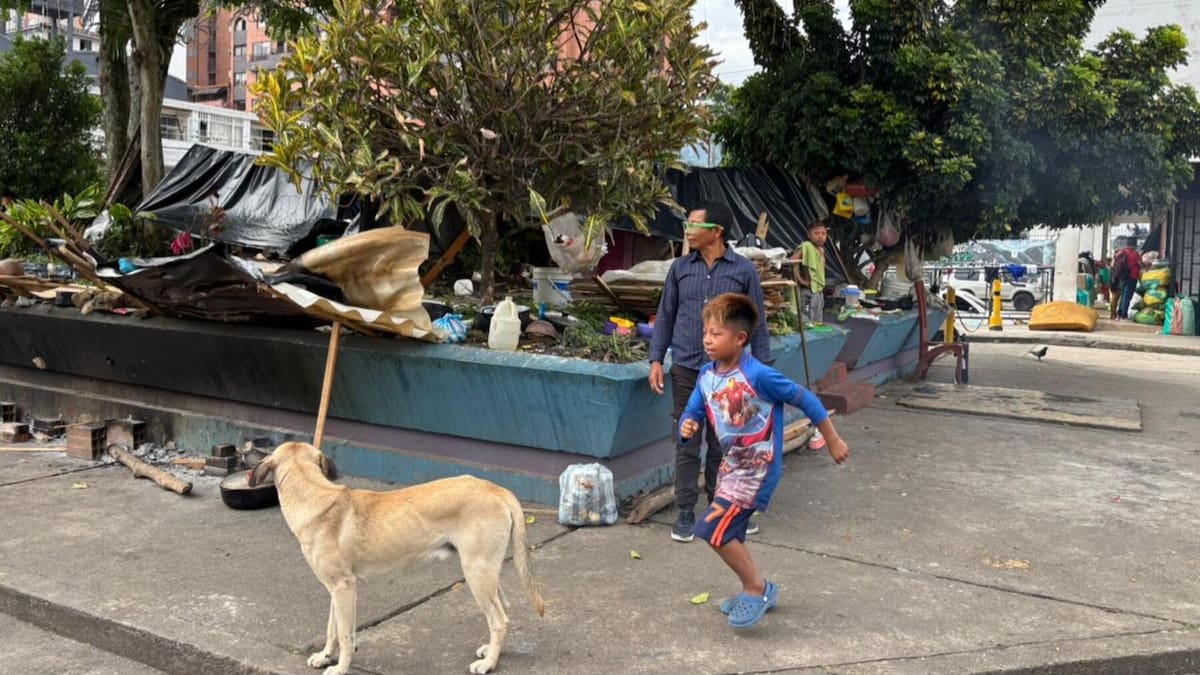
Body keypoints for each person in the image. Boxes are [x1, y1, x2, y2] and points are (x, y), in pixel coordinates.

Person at [679, 293, 849, 629]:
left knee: (713, 529)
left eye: (716, 334)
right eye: (705, 333)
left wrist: (832, 439)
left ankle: (755, 588)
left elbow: (806, 399)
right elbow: (694, 409)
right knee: (727, 531)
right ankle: (759, 588)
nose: (708, 340)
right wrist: (688, 425)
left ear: (740, 338)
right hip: (731, 468)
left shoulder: (759, 375)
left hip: (758, 469)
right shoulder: (706, 375)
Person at [649, 200, 771, 543]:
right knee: (686, 442)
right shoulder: (679, 269)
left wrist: (763, 374)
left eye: (694, 225)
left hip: (729, 375)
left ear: (716, 231)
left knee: (724, 444)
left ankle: (721, 508)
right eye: (686, 224)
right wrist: (655, 359)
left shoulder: (743, 271)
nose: (687, 231)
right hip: (687, 369)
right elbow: (665, 315)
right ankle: (685, 511)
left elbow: (758, 323)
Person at [792, 222, 828, 324]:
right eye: (816, 233)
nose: (820, 236)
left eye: (823, 233)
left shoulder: (821, 250)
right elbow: (792, 261)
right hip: (808, 290)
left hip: (819, 291)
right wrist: (799, 279)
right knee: (807, 321)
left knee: (817, 321)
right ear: (809, 235)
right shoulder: (806, 246)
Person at [1113, 238, 1142, 320]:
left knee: (1123, 295)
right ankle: (1123, 314)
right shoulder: (1134, 254)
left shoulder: (1120, 252)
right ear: (1134, 245)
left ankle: (1119, 313)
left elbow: (1113, 263)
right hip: (1132, 277)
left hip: (1122, 277)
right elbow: (1140, 264)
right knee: (1127, 296)